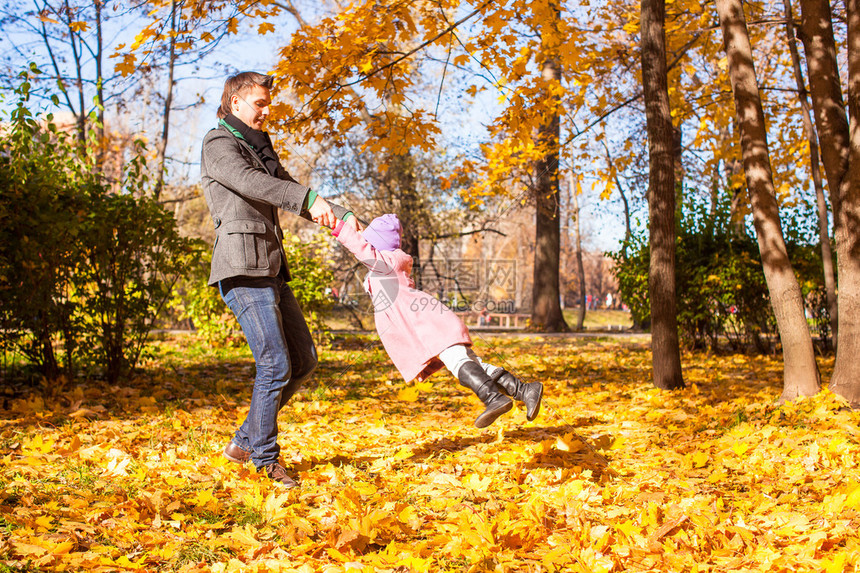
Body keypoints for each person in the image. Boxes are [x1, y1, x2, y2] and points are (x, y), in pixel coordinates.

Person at [201, 71, 359, 487]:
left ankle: (244, 441)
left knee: (303, 360)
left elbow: (284, 187)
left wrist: (337, 213)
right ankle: (265, 458)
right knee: (274, 363)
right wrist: (307, 198)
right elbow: (252, 183)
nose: (267, 111)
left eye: (269, 103)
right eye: (260, 103)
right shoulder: (218, 143)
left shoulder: (260, 147)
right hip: (241, 267)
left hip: (270, 268)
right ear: (235, 103)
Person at [332, 214, 543, 427]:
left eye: (370, 243)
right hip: (428, 323)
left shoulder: (386, 264)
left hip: (429, 325)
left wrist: (339, 226)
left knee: (458, 362)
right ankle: (525, 390)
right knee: (472, 363)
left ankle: (493, 398)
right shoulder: (387, 266)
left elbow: (360, 248)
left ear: (376, 246)